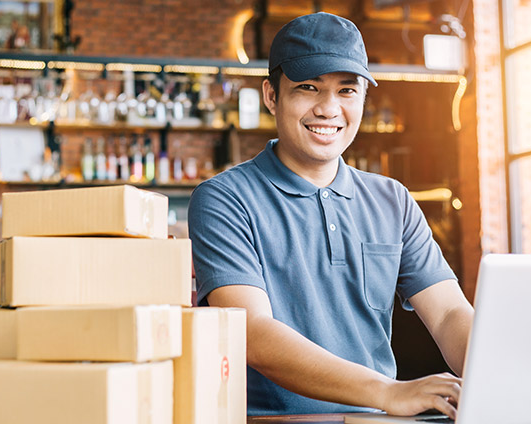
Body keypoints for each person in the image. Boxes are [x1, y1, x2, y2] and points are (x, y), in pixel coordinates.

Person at [187, 12, 474, 419]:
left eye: (346, 90)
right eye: (308, 88)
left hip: (373, 419)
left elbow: (448, 313)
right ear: (271, 96)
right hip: (275, 421)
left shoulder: (392, 199)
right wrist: (389, 392)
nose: (328, 108)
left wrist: (498, 378)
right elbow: (252, 332)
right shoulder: (224, 199)